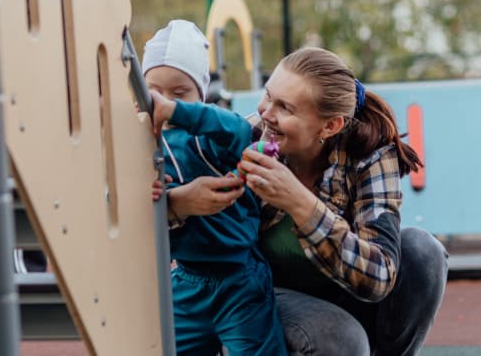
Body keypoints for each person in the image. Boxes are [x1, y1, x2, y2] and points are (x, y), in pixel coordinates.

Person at [163, 47, 449, 355]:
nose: (265, 113)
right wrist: (178, 203)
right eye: (268, 95)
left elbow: (378, 279)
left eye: (285, 107)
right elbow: (171, 221)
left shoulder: (371, 155)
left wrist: (299, 202)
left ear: (330, 126)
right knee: (341, 338)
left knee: (422, 251)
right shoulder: (244, 138)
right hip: (269, 294)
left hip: (346, 289)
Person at [143, 19, 287, 356]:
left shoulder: (210, 132)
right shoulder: (144, 141)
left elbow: (237, 129)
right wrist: (159, 196)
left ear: (201, 95)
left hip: (237, 278)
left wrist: (179, 110)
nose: (164, 103)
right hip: (186, 278)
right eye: (155, 92)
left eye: (180, 93)